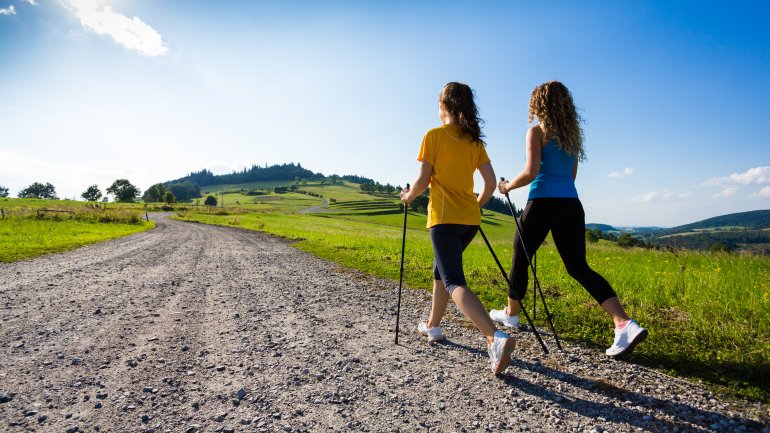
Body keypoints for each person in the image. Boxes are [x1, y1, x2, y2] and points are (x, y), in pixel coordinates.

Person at [491, 81, 647, 359]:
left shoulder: (536, 132)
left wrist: (507, 187)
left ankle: (511, 315)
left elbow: (530, 171)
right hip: (571, 205)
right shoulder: (571, 137)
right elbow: (571, 176)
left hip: (541, 202)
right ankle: (624, 323)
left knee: (520, 255)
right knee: (578, 267)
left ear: (538, 105)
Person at [400, 82, 516, 375]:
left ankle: (495, 337)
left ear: (445, 106)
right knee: (440, 272)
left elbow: (423, 180)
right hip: (469, 220)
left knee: (453, 280)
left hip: (443, 219)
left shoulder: (433, 136)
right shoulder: (475, 142)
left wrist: (407, 196)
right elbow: (490, 184)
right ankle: (433, 326)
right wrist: (475, 205)